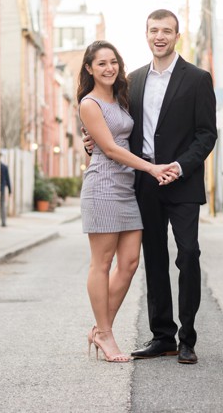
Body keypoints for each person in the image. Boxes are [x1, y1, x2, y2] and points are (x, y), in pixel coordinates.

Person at [85, 9, 217, 365]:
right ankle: (163, 336)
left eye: (167, 31)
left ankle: (187, 338)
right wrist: (92, 142)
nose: (160, 36)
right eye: (154, 30)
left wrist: (180, 166)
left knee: (187, 255)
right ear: (146, 34)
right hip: (143, 184)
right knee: (153, 259)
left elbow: (207, 134)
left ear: (177, 35)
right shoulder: (132, 80)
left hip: (182, 182)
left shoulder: (198, 79)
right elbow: (117, 127)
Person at [77, 40, 178, 363]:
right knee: (102, 263)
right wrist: (151, 167)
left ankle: (99, 328)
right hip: (104, 186)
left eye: (113, 62)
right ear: (89, 69)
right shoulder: (90, 103)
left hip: (127, 187)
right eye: (101, 63)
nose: (109, 68)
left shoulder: (122, 98)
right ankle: (106, 335)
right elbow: (110, 148)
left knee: (131, 262)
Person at [0, 150, 12, 227]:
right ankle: (3, 222)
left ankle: (3, 221)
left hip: (0, 189)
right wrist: (10, 190)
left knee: (2, 204)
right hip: (2, 188)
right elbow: (8, 180)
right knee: (2, 205)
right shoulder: (4, 167)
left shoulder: (1, 167)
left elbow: (7, 179)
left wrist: (10, 190)